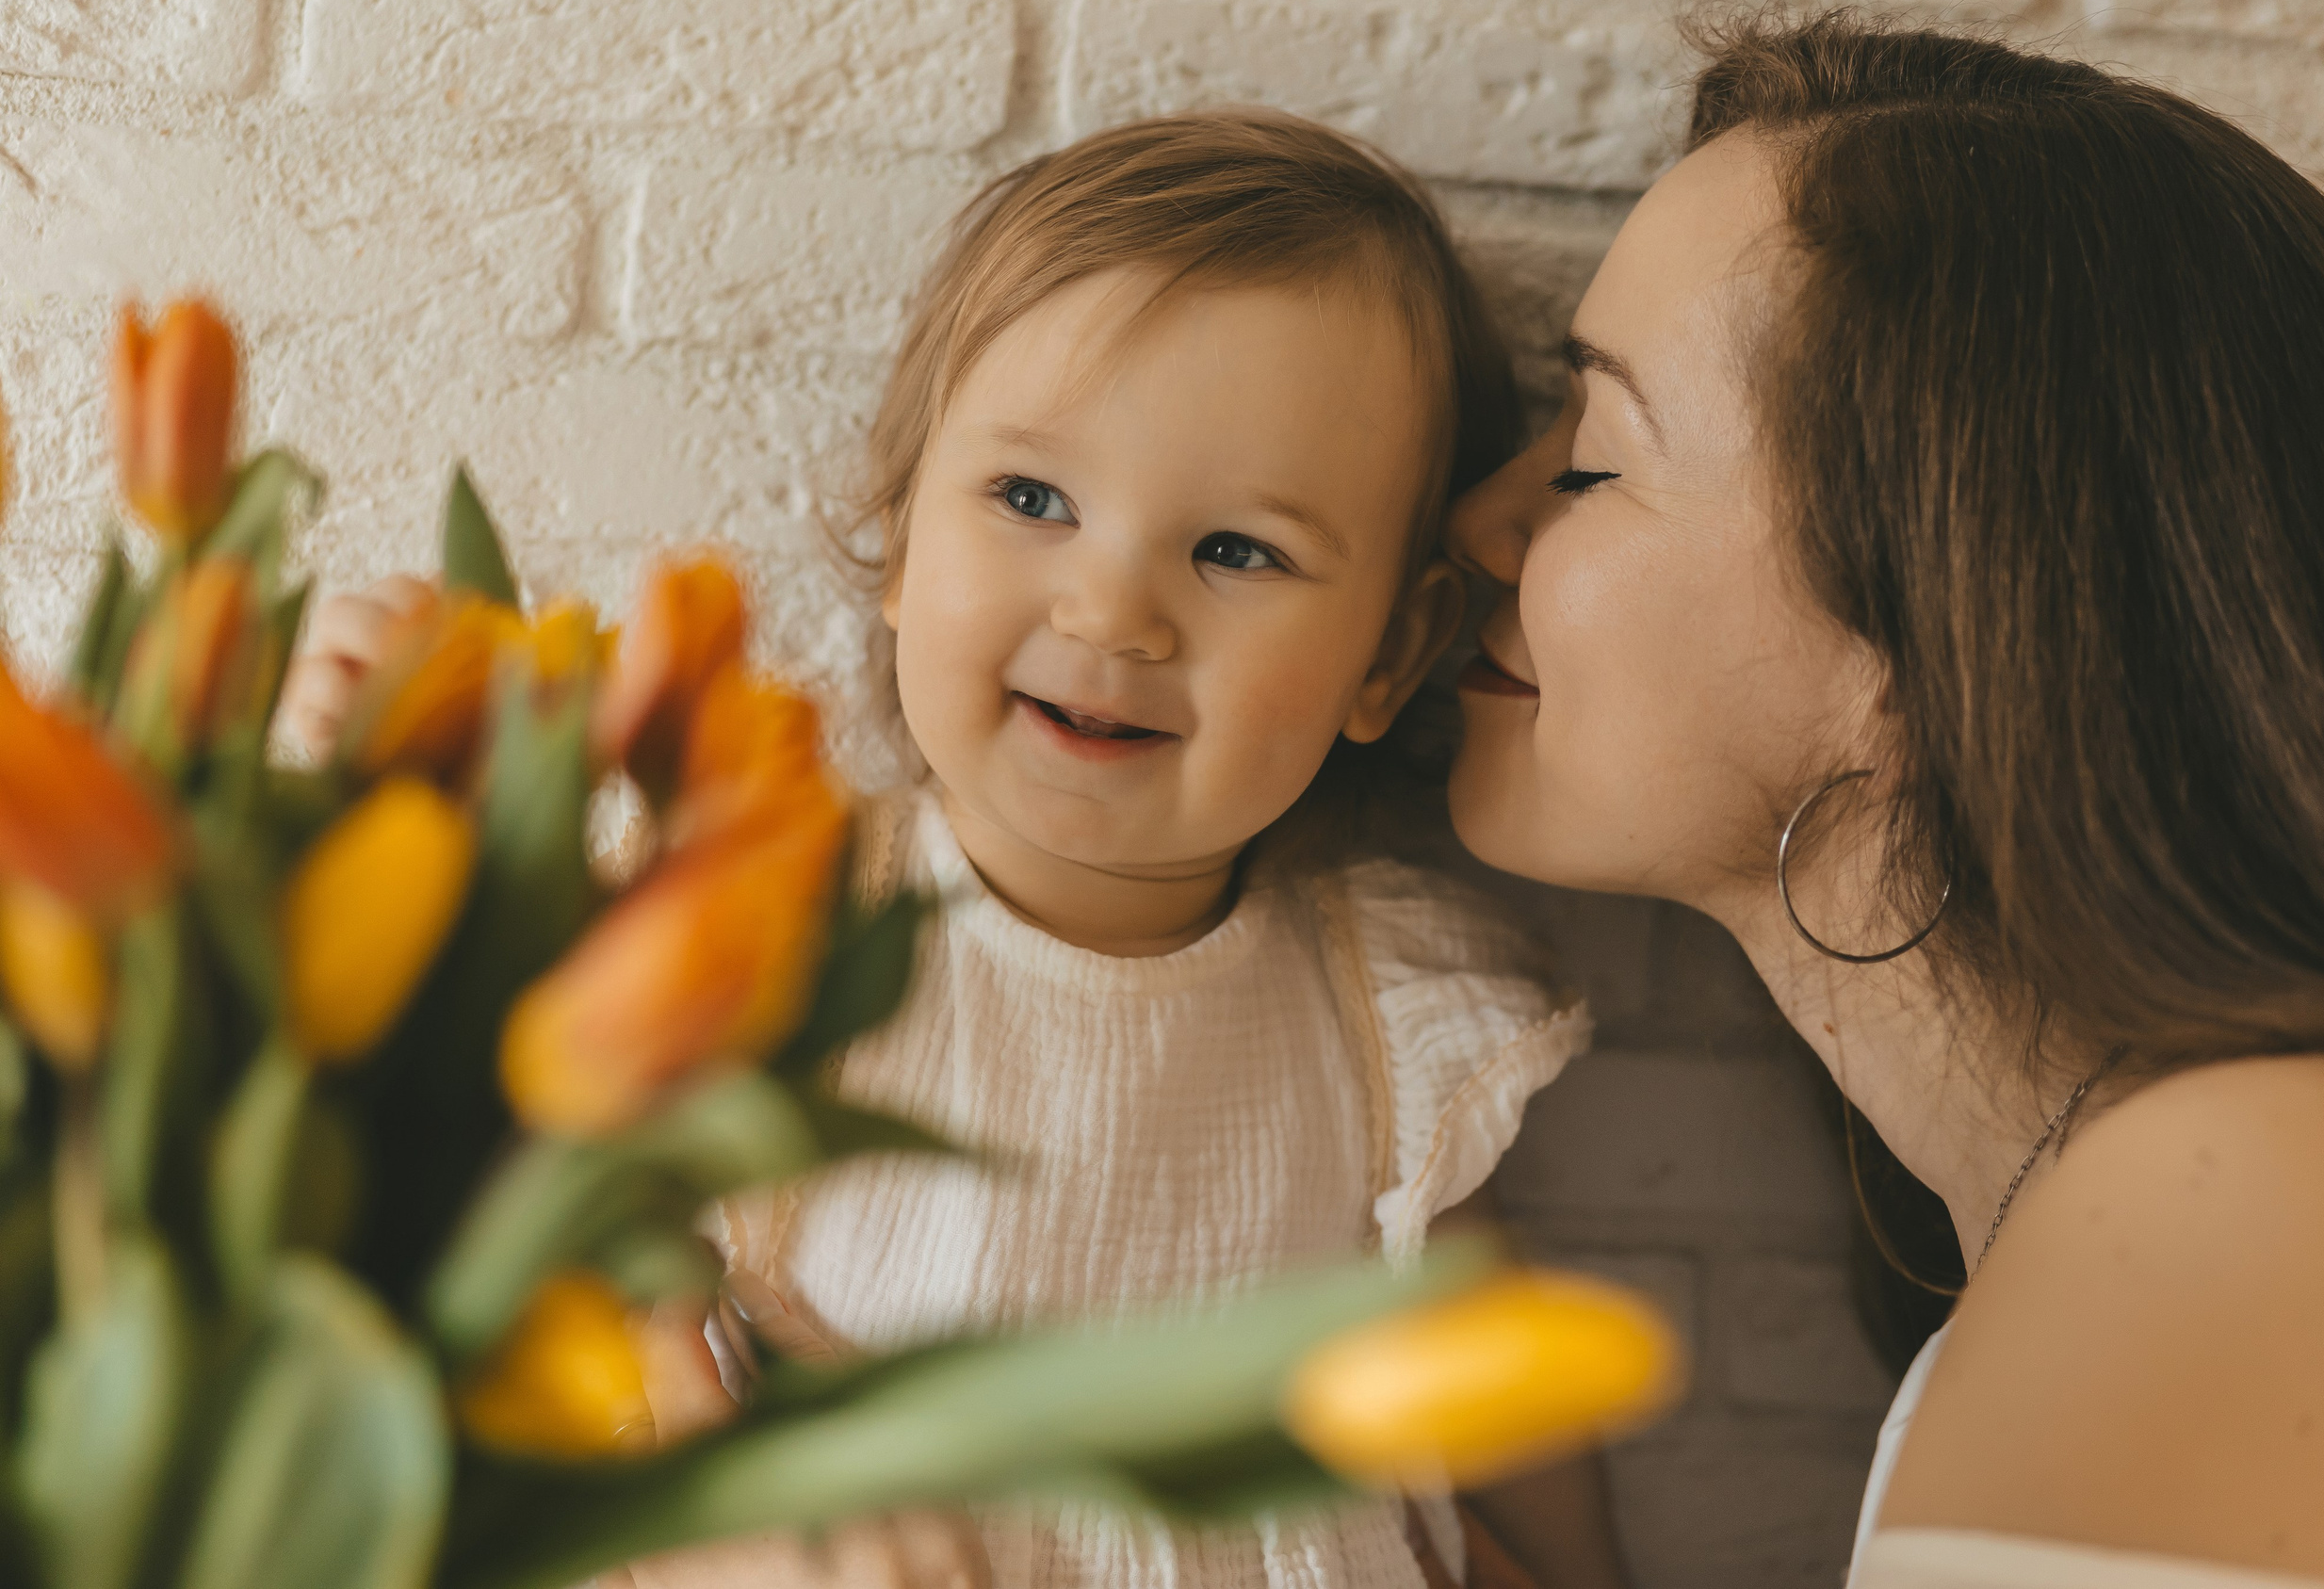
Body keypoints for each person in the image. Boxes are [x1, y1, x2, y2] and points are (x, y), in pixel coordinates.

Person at [282, 111, 1609, 1589]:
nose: (1113, 615)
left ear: (1393, 650)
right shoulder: (769, 911)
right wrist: (421, 784)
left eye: (1236, 551)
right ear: (905, 541)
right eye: (1032, 500)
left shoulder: (1388, 1010)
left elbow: (1497, 1414)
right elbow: (520, 1210)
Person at [1446, 11, 2324, 1589]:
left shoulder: (2229, 1206)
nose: (1487, 521)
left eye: (1591, 460)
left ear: (1926, 626)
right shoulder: (2167, 1196)